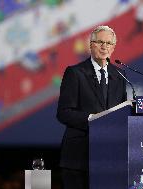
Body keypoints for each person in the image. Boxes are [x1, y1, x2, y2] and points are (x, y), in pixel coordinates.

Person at [56, 25, 127, 189]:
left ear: (114, 48)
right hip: (79, 157)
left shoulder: (120, 76)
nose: (104, 47)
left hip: (109, 158)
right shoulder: (75, 73)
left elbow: (121, 113)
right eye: (100, 42)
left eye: (109, 43)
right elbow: (64, 113)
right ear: (91, 44)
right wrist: (93, 120)